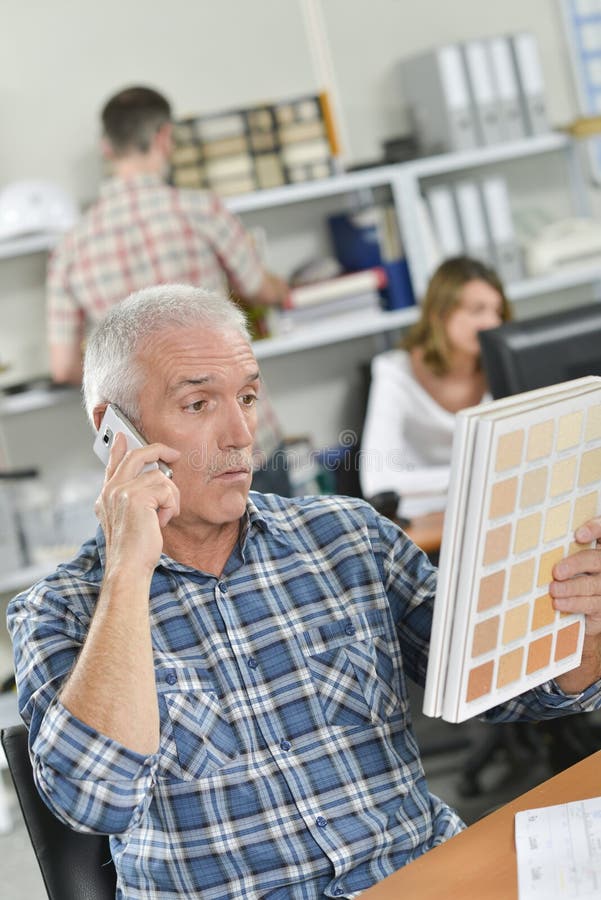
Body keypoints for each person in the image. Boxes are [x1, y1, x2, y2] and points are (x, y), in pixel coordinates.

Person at [8, 283, 601, 900]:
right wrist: (128, 573)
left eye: (247, 396)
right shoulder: (59, 611)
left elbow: (517, 692)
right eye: (198, 404)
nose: (242, 433)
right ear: (115, 431)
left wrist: (581, 627)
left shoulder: (347, 537)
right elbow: (93, 801)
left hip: (420, 880)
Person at [46, 84, 290, 493]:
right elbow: (258, 288)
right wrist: (284, 288)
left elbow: (63, 366)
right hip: (237, 443)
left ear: (107, 148)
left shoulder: (70, 247)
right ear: (164, 137)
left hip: (152, 461)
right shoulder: (201, 210)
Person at [360, 256, 511, 521]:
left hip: (492, 513)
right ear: (440, 315)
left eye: (497, 311)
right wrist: (478, 475)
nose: (492, 323)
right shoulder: (395, 373)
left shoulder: (503, 368)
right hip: (424, 524)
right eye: (477, 310)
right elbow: (378, 480)